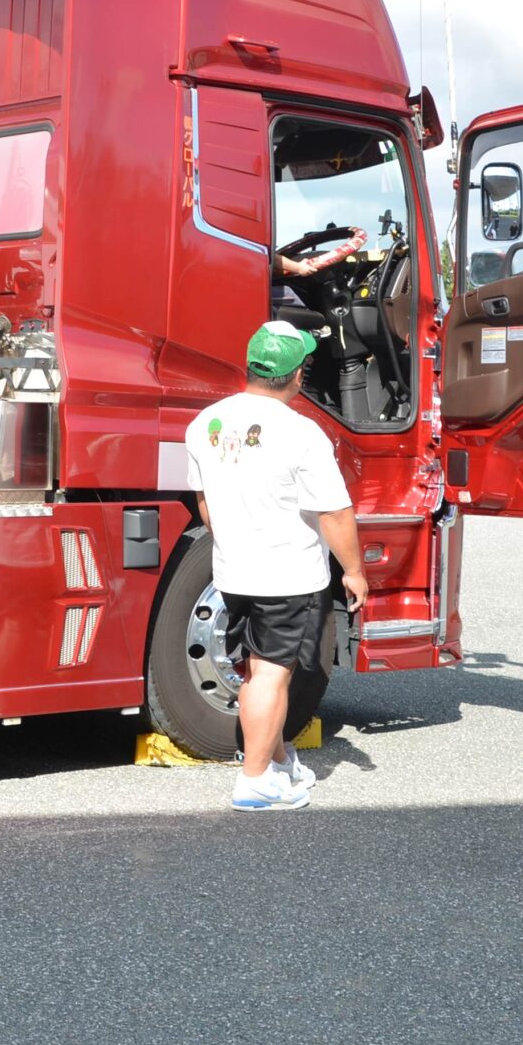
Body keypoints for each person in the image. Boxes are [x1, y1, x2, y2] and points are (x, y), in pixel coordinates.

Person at [183, 322, 368, 811]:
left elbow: (205, 505)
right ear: (297, 375)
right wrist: (354, 570)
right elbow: (333, 512)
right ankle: (256, 780)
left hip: (233, 570)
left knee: (253, 670)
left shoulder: (205, 423)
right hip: (286, 573)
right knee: (270, 674)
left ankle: (279, 761)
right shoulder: (302, 432)